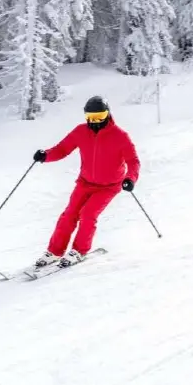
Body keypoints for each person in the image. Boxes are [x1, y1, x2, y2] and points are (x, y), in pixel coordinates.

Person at [32, 96, 140, 269]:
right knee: (69, 215)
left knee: (88, 214)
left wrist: (130, 179)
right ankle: (54, 252)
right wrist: (46, 155)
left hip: (108, 187)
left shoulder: (120, 136)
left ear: (108, 114)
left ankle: (79, 251)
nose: (94, 121)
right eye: (90, 117)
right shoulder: (81, 131)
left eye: (99, 116)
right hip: (85, 183)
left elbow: (133, 161)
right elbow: (62, 149)